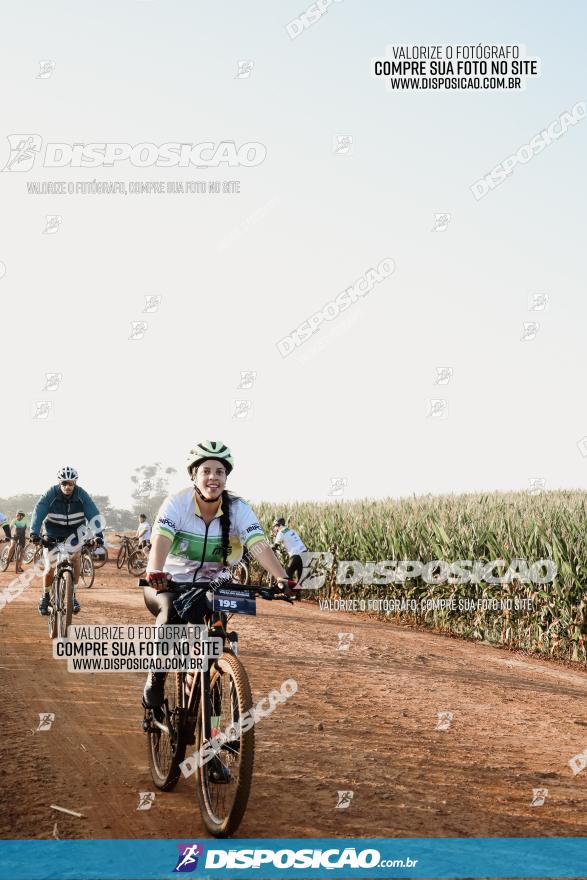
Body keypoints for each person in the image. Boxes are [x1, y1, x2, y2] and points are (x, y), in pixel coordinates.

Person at [143, 441, 296, 709]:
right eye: (206, 471)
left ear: (226, 477)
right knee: (169, 618)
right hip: (170, 583)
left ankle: (209, 719)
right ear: (194, 475)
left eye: (220, 472)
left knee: (214, 641)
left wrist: (282, 577)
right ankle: (156, 678)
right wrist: (156, 570)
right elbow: (161, 540)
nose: (213, 477)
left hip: (214, 587)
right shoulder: (176, 503)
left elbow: (258, 544)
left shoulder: (238, 508)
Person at [30, 466, 105, 616]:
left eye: (71, 483)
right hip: (52, 532)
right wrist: (34, 532)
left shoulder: (82, 495)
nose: (67, 486)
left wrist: (98, 535)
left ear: (75, 483)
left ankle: (72, 596)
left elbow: (93, 513)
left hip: (75, 533)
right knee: (50, 566)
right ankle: (45, 597)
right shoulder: (51, 493)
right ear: (59, 482)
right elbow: (39, 511)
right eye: (64, 483)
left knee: (76, 559)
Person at [271, 517, 307, 582]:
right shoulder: (291, 530)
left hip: (296, 556)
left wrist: (269, 549)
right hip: (305, 553)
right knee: (299, 581)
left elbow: (275, 546)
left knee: (286, 577)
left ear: (278, 526)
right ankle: (297, 591)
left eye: (275, 527)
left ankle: (287, 591)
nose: (274, 529)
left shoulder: (281, 532)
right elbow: (293, 542)